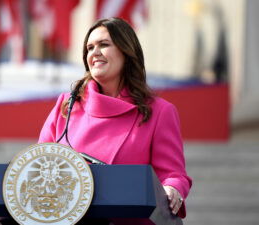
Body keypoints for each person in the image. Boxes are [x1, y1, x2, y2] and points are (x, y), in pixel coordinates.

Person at [38, 17, 192, 222]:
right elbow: (38, 165)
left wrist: (172, 189)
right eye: (89, 48)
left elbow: (173, 174)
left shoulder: (159, 112)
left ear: (126, 52)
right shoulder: (67, 105)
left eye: (104, 45)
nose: (94, 53)